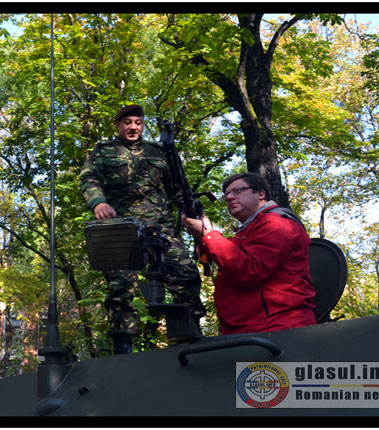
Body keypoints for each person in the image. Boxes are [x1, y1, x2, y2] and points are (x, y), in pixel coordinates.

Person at [79, 104, 206, 354]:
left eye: (138, 122)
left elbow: (177, 185)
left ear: (143, 124)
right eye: (127, 122)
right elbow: (88, 178)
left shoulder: (158, 152)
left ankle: (190, 336)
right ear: (118, 125)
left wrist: (188, 210)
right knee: (120, 284)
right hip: (122, 226)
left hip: (160, 226)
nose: (133, 127)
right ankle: (122, 344)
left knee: (186, 273)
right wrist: (98, 202)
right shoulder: (104, 152)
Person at [180, 172, 316, 335]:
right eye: (227, 195)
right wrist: (205, 241)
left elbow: (250, 270)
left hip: (277, 330)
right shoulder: (247, 234)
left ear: (260, 193)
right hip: (249, 331)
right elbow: (230, 256)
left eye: (237, 191)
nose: (230, 197)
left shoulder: (276, 223)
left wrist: (207, 235)